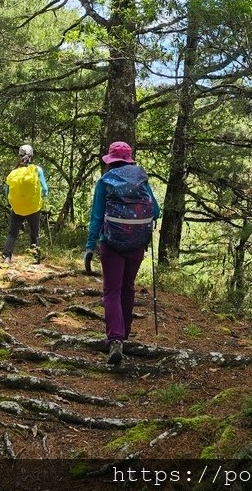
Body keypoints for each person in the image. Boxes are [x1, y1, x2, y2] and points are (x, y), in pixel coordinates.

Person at [85, 141, 160, 366]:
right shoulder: (141, 179)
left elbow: (97, 217)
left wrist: (90, 246)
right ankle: (125, 333)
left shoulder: (105, 181)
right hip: (137, 244)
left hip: (111, 243)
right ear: (129, 159)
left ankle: (115, 339)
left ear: (110, 160)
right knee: (128, 286)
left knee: (111, 290)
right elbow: (156, 210)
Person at [3, 144, 48, 264]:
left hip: (17, 207)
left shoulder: (14, 172)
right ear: (32, 156)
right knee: (34, 233)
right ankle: (35, 258)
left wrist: (11, 201)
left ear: (20, 156)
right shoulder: (37, 170)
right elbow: (45, 189)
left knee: (13, 233)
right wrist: (43, 195)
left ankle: (7, 256)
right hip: (33, 207)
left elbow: (6, 190)